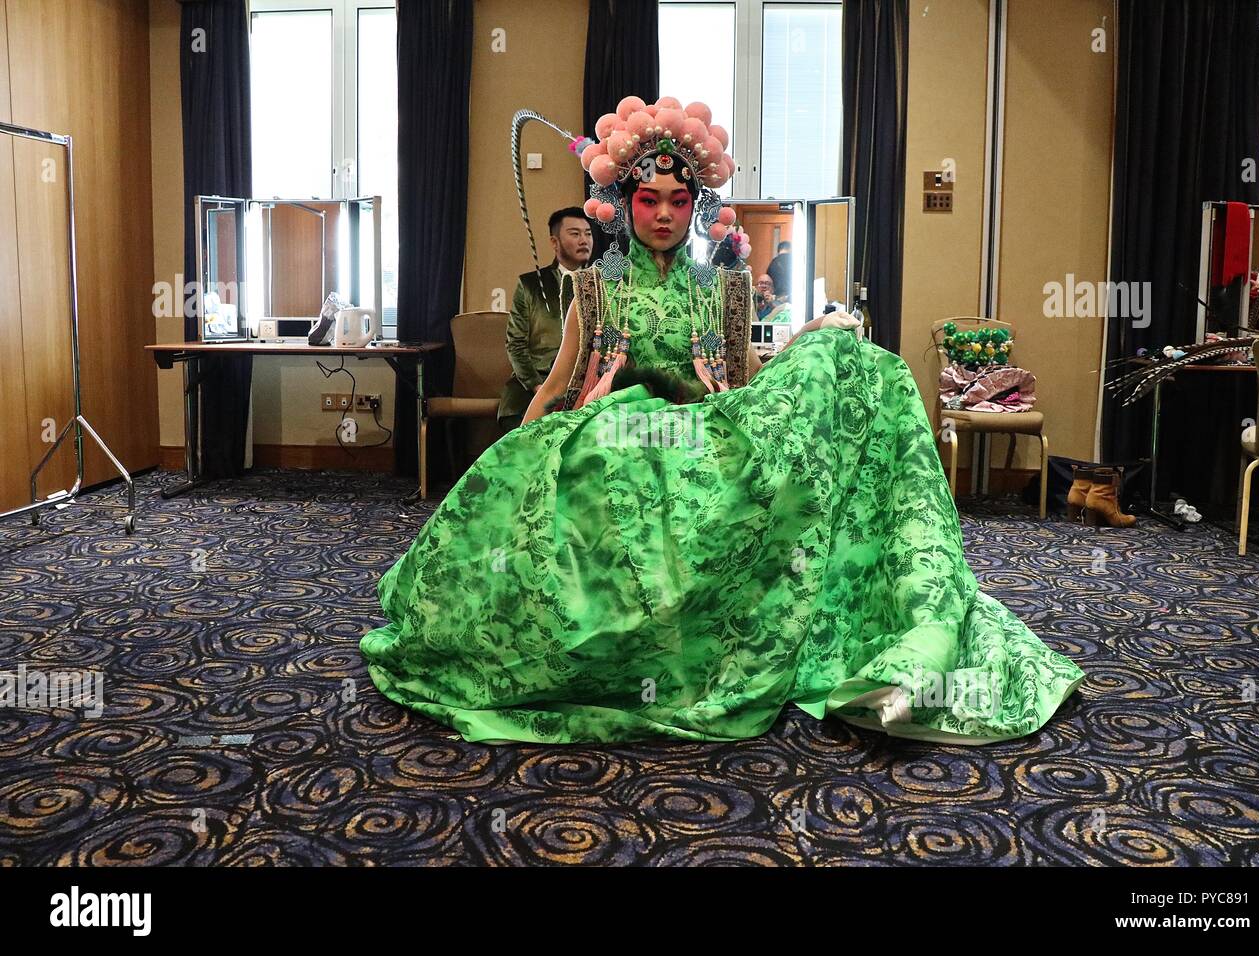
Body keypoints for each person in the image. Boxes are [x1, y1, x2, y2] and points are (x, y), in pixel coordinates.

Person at [360, 93, 1083, 745]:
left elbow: (750, 385)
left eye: (679, 198)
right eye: (649, 199)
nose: (665, 213)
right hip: (616, 427)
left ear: (697, 204)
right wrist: (516, 453)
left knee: (857, 362)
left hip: (709, 426)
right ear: (624, 201)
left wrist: (808, 342)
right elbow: (556, 384)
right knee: (597, 466)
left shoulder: (725, 286)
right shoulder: (597, 284)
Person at [497, 207, 592, 431]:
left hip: (587, 387)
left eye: (588, 233)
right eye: (575, 233)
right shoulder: (530, 285)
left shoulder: (601, 285)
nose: (584, 240)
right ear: (555, 242)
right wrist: (537, 386)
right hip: (535, 386)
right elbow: (516, 344)